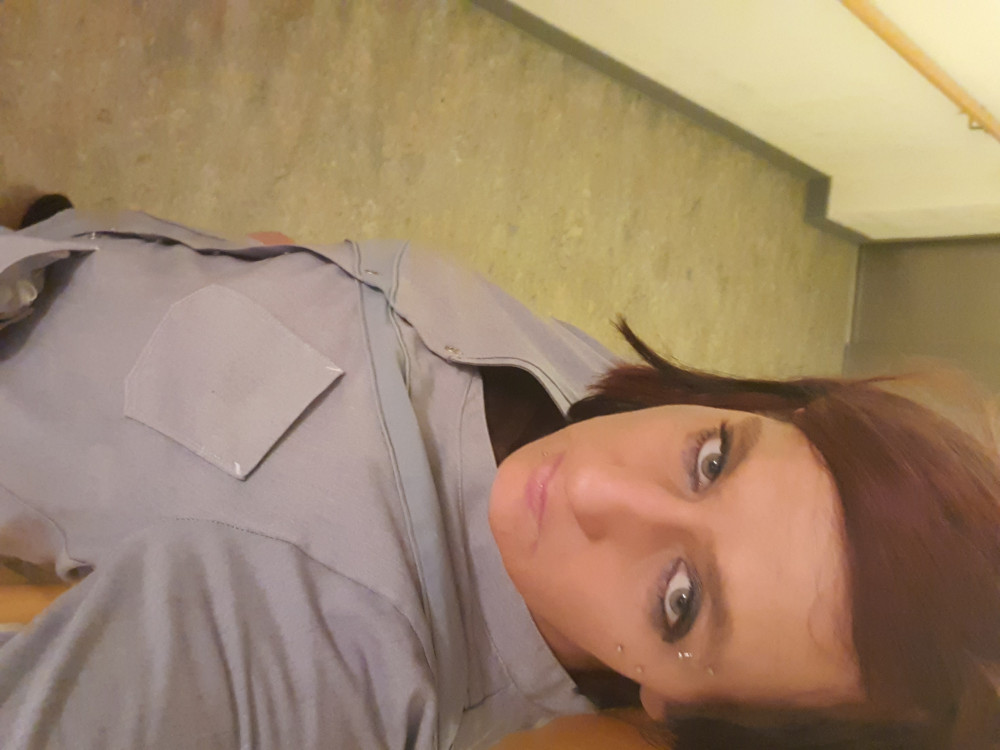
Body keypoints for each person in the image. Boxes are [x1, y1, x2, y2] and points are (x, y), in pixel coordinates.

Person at [0, 197, 997, 750]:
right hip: (72, 241)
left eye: (680, 600)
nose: (595, 488)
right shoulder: (579, 382)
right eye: (711, 460)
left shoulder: (357, 683)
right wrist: (297, 269)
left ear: (681, 709)